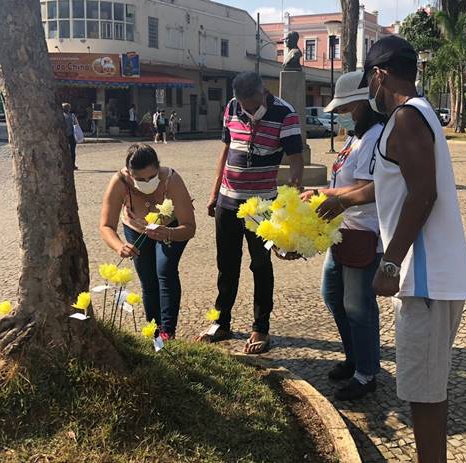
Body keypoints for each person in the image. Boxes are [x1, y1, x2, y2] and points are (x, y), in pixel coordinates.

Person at [317, 36, 466, 462]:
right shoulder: (417, 113)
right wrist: (342, 198)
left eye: (370, 79)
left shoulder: (406, 117)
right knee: (428, 387)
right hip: (433, 276)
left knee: (424, 394)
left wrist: (389, 263)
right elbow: (394, 184)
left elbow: (423, 195)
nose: (371, 89)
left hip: (425, 278)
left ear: (379, 75)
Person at [197, 71, 304, 354]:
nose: (249, 111)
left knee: (261, 265)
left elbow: (296, 159)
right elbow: (226, 149)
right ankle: (221, 322)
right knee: (226, 265)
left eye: (254, 105)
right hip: (228, 201)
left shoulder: (285, 114)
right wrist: (214, 192)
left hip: (262, 207)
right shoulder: (232, 107)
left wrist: (293, 198)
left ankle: (261, 327)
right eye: (245, 106)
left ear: (263, 92)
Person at [300, 70, 386, 401]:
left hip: (364, 231)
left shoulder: (375, 137)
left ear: (362, 104)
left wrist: (324, 195)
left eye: (344, 109)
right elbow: (341, 183)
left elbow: (367, 188)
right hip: (341, 229)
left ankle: (366, 373)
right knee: (333, 296)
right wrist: (321, 194)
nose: (340, 115)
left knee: (358, 306)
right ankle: (355, 357)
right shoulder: (354, 138)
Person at [99, 143, 196, 339]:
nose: (147, 182)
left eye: (152, 177)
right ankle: (154, 333)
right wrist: (120, 246)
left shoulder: (171, 180)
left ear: (158, 168)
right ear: (129, 174)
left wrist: (169, 233)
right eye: (140, 179)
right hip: (136, 227)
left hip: (170, 227)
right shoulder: (119, 182)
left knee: (165, 271)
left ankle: (167, 332)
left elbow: (189, 227)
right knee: (148, 279)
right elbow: (106, 225)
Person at [62, 102, 79, 170]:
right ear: (69, 109)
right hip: (71, 135)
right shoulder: (72, 116)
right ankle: (72, 164)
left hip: (63, 135)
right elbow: (76, 124)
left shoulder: (61, 116)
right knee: (72, 151)